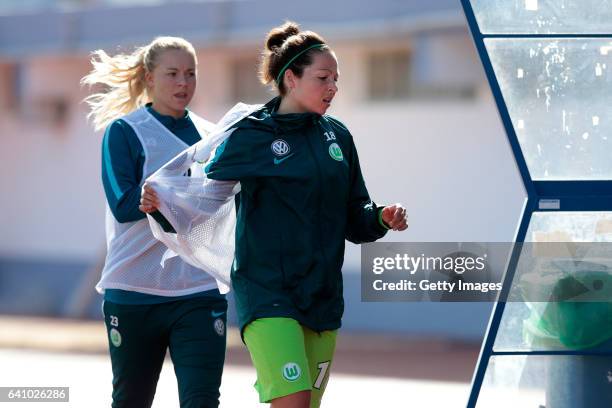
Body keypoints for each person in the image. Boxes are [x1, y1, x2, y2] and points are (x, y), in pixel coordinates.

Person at [141, 22, 408, 408]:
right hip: (267, 292)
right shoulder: (252, 134)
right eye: (322, 78)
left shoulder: (338, 137)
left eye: (336, 79)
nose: (333, 87)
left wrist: (381, 217)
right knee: (293, 401)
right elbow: (204, 195)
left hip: (322, 298)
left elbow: (355, 214)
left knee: (307, 405)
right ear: (291, 79)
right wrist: (163, 204)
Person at [81, 36, 227, 408]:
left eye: (191, 74)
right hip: (133, 290)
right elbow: (123, 205)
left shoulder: (212, 137)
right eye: (173, 74)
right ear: (149, 77)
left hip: (198, 289)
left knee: (202, 401)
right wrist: (157, 200)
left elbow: (220, 207)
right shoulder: (125, 132)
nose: (183, 83)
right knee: (132, 400)